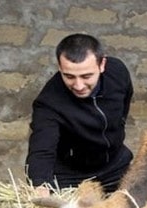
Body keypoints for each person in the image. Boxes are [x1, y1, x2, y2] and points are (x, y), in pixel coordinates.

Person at [25, 33, 134, 197]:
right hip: (71, 176)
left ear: (102, 64)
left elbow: (125, 104)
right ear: (60, 67)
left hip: (115, 165)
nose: (78, 85)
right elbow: (41, 150)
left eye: (86, 76)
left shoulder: (117, 72)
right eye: (69, 76)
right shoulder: (48, 103)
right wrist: (40, 186)